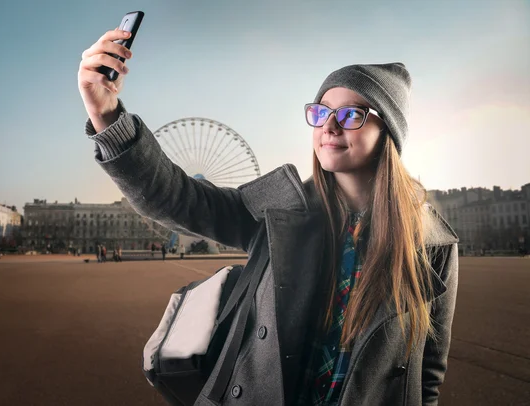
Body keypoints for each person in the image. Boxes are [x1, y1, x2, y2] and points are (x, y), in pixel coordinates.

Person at [79, 29, 459, 406]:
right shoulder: (280, 211)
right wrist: (106, 116)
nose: (329, 125)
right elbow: (180, 199)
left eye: (350, 114)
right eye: (321, 112)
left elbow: (426, 375)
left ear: (388, 131)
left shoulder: (433, 245)